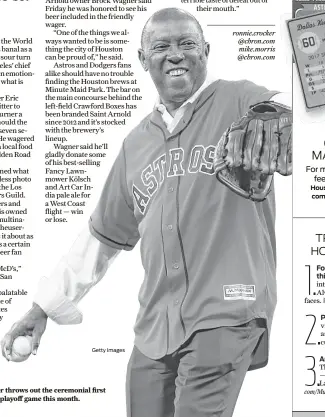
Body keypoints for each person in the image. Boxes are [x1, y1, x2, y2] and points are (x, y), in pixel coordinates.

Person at [1, 8, 291, 417]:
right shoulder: (137, 144)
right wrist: (42, 308)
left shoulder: (238, 98)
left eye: (187, 44)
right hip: (156, 324)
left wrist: (278, 115)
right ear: (142, 59)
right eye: (162, 46)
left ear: (206, 51)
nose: (175, 54)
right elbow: (100, 240)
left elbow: (284, 108)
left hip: (226, 309)